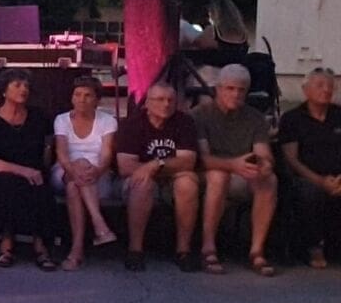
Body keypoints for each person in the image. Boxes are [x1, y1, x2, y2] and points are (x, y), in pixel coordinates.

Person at [193, 64, 278, 276]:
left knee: (269, 180)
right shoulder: (200, 115)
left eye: (241, 90)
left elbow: (263, 152)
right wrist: (232, 165)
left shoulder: (255, 118)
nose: (236, 94)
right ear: (218, 89)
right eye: (230, 88)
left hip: (242, 173)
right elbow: (202, 160)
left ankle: (256, 251)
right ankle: (208, 247)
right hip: (210, 173)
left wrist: (265, 165)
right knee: (218, 176)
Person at [0, 69, 57, 270]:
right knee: (9, 184)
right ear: (4, 90)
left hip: (33, 170)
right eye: (17, 85)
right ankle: (6, 242)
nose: (23, 90)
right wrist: (21, 170)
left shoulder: (39, 117)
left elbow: (47, 151)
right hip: (1, 172)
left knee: (38, 182)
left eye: (26, 86)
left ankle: (40, 245)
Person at [115, 82, 200, 272]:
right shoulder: (131, 124)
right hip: (139, 181)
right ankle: (135, 250)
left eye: (170, 100)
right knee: (143, 183)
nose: (166, 104)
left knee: (187, 182)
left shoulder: (185, 122)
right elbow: (125, 167)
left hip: (172, 179)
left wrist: (155, 165)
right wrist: (159, 169)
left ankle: (184, 250)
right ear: (147, 103)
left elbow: (188, 161)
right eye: (160, 99)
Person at [51, 76, 118, 270]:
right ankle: (99, 225)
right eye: (77, 94)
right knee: (78, 166)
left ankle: (76, 250)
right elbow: (62, 154)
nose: (82, 99)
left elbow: (106, 154)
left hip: (97, 173)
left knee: (74, 187)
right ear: (72, 97)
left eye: (88, 95)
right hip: (64, 170)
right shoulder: (62, 120)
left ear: (97, 99)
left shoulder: (107, 121)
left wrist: (96, 171)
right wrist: (75, 169)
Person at [279, 68, 341, 269]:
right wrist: (320, 181)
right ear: (306, 90)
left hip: (338, 177)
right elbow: (292, 159)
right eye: (320, 85)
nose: (326, 90)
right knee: (310, 193)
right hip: (307, 177)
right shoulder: (292, 119)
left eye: (330, 86)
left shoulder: (338, 114)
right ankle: (314, 247)